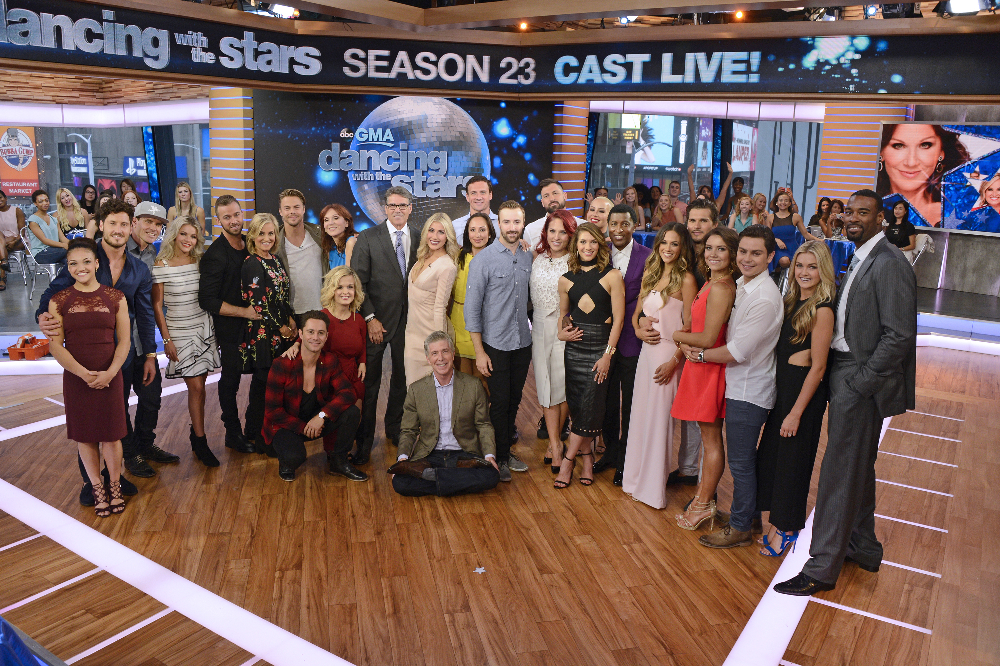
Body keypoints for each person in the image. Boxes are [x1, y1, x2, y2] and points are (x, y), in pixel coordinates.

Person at [775, 189, 916, 596]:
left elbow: (899, 336)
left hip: (858, 375)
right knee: (857, 466)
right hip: (846, 370)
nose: (852, 218)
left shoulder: (889, 262)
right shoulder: (861, 255)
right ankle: (863, 546)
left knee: (838, 470)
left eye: (863, 212)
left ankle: (820, 568)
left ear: (880, 218)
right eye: (849, 211)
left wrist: (860, 383)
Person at [36, 198, 156, 507]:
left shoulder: (139, 269)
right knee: (86, 424)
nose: (118, 229)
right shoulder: (84, 257)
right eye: (112, 223)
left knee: (116, 417)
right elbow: (53, 292)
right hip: (82, 355)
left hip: (120, 356)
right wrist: (42, 315)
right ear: (101, 226)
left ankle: (115, 478)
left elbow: (145, 315)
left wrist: (150, 354)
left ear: (131, 228)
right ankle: (93, 483)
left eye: (124, 224)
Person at [682, 225, 783, 549]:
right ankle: (747, 517)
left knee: (741, 463)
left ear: (770, 256)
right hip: (736, 384)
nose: (747, 258)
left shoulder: (765, 297)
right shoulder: (741, 284)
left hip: (749, 390)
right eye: (743, 251)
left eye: (756, 253)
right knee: (743, 461)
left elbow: (736, 351)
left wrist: (696, 353)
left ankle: (740, 528)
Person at [756, 241, 835, 556]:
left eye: (812, 267)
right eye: (800, 265)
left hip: (803, 396)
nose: (804, 272)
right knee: (775, 459)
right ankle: (777, 523)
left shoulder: (822, 308)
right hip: (784, 390)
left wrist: (796, 413)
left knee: (793, 463)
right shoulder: (791, 301)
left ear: (823, 271)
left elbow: (819, 367)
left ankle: (787, 529)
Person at [46, 238, 131, 517]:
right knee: (85, 437)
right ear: (68, 267)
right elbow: (56, 346)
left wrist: (110, 372)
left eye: (85, 261)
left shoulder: (116, 297)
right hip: (76, 377)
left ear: (96, 263)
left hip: (110, 373)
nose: (80, 267)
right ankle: (97, 488)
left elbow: (125, 341)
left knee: (112, 436)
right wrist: (83, 374)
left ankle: (115, 486)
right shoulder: (58, 301)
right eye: (73, 263)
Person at [638, 198, 718, 488]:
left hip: (704, 346)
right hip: (678, 344)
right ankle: (686, 468)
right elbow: (646, 308)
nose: (696, 225)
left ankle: (698, 481)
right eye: (692, 220)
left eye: (703, 220)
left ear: (714, 224)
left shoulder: (713, 261)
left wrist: (677, 352)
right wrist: (641, 324)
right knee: (682, 413)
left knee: (700, 417)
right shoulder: (674, 261)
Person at [621, 223, 697, 508]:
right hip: (646, 354)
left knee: (659, 423)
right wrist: (638, 329)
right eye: (664, 242)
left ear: (682, 247)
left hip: (668, 356)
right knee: (640, 418)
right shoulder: (652, 273)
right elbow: (637, 313)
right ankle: (635, 481)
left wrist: (674, 362)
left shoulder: (686, 280)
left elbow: (690, 328)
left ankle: (653, 490)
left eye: (674, 243)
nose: (667, 248)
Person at [670, 226, 739, 530]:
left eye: (721, 249)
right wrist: (685, 340)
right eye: (709, 248)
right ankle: (703, 501)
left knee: (711, 441)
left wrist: (676, 335)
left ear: (732, 254)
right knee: (708, 438)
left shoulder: (722, 287)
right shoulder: (712, 282)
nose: (713, 253)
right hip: (700, 366)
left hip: (708, 368)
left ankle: (703, 505)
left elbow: (709, 338)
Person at [350, 186, 421, 465]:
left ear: (410, 208)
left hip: (409, 322)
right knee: (370, 385)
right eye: (392, 205)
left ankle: (394, 429)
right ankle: (364, 441)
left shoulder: (420, 237)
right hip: (375, 324)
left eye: (403, 205)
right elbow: (358, 283)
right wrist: (370, 318)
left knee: (402, 380)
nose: (397, 210)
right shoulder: (368, 238)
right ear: (385, 208)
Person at [553, 222, 626, 489]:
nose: (588, 247)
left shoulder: (612, 276)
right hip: (574, 349)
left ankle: (567, 460)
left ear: (600, 245)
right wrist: (561, 333)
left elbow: (618, 320)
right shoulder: (565, 279)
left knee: (591, 406)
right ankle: (587, 458)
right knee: (578, 407)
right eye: (583, 242)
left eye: (593, 242)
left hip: (601, 349)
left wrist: (608, 355)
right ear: (576, 246)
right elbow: (564, 315)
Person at [465, 200, 533, 481]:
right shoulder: (483, 260)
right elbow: (472, 310)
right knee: (500, 401)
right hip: (495, 344)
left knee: (515, 400)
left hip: (523, 342)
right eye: (507, 222)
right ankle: (498, 457)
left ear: (523, 223)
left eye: (517, 222)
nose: (512, 227)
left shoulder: (529, 256)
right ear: (498, 224)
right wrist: (479, 352)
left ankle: (504, 450)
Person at [389, 331, 501, 497]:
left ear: (453, 354)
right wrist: (403, 458)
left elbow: (484, 425)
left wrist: (489, 455)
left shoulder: (473, 385)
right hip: (430, 454)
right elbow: (408, 430)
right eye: (434, 353)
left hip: (463, 455)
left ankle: (434, 478)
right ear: (428, 359)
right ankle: (454, 481)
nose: (440, 358)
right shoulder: (416, 390)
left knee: (491, 476)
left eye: (445, 351)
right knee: (400, 482)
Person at [262, 311, 366, 482]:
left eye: (321, 333)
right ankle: (286, 462)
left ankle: (339, 462)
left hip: (315, 420)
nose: (315, 338)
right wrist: (303, 427)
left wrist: (321, 416)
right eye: (310, 332)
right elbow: (273, 411)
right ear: (301, 334)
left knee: (352, 412)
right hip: (286, 425)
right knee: (295, 457)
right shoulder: (282, 364)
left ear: (326, 336)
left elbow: (348, 393)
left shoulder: (329, 360)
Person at [152, 216, 222, 467]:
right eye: (184, 234)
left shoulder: (200, 261)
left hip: (203, 326)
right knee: (196, 388)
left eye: (193, 236)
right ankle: (201, 441)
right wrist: (166, 340)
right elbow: (157, 306)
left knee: (201, 386)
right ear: (174, 234)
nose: (188, 240)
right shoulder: (161, 264)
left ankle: (196, 432)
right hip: (179, 331)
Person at [595, 204, 653, 485]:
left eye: (625, 224)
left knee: (630, 401)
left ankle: (625, 458)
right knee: (606, 400)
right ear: (608, 225)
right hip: (603, 338)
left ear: (634, 225)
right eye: (614, 224)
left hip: (632, 338)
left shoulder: (648, 256)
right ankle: (610, 451)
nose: (618, 230)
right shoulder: (600, 252)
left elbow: (650, 296)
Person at [116, 200, 174, 478]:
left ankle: (145, 445)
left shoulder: (154, 254)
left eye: (158, 224)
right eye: (148, 221)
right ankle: (130, 454)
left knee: (151, 397)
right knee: (120, 403)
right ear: (134, 222)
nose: (153, 227)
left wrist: (152, 350)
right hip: (118, 344)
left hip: (144, 341)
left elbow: (152, 304)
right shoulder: (115, 251)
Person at [199, 195, 259, 454]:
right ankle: (232, 433)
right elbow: (207, 300)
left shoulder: (250, 244)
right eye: (227, 217)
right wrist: (244, 312)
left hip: (255, 325)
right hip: (231, 328)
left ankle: (254, 426)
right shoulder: (215, 255)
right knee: (231, 379)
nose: (233, 220)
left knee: (261, 374)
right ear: (218, 220)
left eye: (236, 214)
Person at [241, 212, 297, 452]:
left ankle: (267, 431)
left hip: (280, 329)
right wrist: (281, 327)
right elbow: (258, 304)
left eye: (271, 233)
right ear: (252, 236)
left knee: (275, 386)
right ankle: (257, 435)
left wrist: (291, 318)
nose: (267, 238)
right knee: (263, 386)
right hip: (263, 333)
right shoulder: (252, 262)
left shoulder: (274, 259)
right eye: (261, 233)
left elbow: (283, 296)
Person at [530, 209, 576, 470]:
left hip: (564, 328)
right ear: (545, 232)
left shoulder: (575, 261)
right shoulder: (537, 257)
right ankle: (556, 443)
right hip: (539, 327)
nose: (556, 236)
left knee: (562, 387)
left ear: (570, 234)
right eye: (552, 231)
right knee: (545, 387)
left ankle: (555, 443)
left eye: (563, 232)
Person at [876, 123, 969, 227]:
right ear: (881, 152)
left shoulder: (961, 214)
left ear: (941, 152)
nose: (911, 163)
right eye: (898, 146)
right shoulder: (869, 210)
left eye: (925, 145)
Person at [404, 213, 459, 385]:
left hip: (431, 336)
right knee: (413, 390)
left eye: (441, 232)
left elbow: (440, 308)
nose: (435, 236)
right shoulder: (423, 256)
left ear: (448, 236)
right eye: (432, 230)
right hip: (412, 335)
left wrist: (439, 346)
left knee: (433, 393)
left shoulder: (447, 266)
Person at [451, 213, 495, 381]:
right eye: (473, 230)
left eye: (482, 230)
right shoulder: (458, 257)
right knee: (463, 380)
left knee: (483, 381)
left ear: (490, 233)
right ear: (467, 233)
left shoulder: (496, 258)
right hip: (458, 324)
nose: (477, 235)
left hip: (486, 327)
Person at [274, 188, 324, 318]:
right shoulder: (274, 242)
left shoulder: (319, 234)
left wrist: (353, 235)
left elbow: (341, 235)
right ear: (280, 211)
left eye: (296, 207)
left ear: (303, 209)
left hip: (322, 308)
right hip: (291, 313)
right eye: (287, 208)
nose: (292, 212)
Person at [768, 189, 819, 273]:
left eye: (786, 200)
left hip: (792, 247)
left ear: (789, 203)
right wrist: (776, 239)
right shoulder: (770, 217)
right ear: (776, 202)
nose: (783, 202)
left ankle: (787, 276)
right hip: (777, 247)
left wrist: (820, 240)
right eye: (781, 200)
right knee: (784, 261)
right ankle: (780, 273)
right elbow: (767, 235)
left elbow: (805, 234)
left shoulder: (796, 217)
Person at [524, 179, 583, 250]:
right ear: (542, 202)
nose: (552, 199)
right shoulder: (531, 230)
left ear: (565, 196)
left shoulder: (582, 226)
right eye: (546, 196)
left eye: (555, 193)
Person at [27, 189, 69, 265]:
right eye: (41, 201)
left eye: (46, 200)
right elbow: (44, 240)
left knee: (70, 261)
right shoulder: (33, 220)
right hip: (40, 253)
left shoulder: (53, 219)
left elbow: (62, 237)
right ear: (35, 203)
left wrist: (72, 244)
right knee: (65, 251)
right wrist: (64, 245)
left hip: (56, 250)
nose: (45, 203)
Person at [450, 175, 499, 240]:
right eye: (473, 193)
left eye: (483, 192)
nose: (478, 197)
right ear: (467, 197)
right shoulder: (454, 226)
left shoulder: (502, 224)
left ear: (490, 195)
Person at [0, 189, 26, 290]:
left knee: (1, 247)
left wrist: (14, 241)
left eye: (0, 198)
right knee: (2, 245)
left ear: (5, 198)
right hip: (3, 241)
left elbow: (22, 232)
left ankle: (2, 277)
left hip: (18, 240)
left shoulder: (16, 210)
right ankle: (3, 266)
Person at [320, 203, 357, 269]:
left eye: (336, 218)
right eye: (326, 220)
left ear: (346, 223)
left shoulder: (351, 242)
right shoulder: (330, 249)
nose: (330, 223)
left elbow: (349, 274)